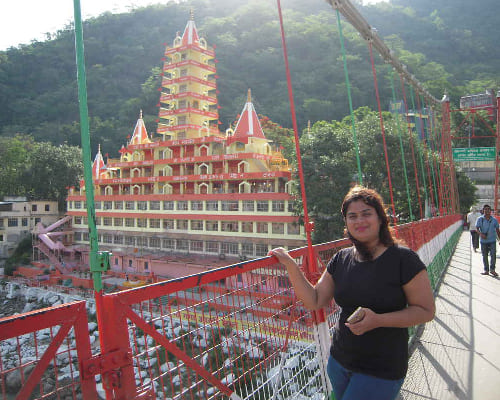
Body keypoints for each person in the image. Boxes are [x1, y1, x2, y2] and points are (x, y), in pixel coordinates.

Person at [268, 186, 435, 400]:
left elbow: (426, 311)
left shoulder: (404, 259)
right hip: (339, 361)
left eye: (366, 214)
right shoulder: (341, 258)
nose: (359, 221)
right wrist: (290, 263)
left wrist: (378, 320)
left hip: (381, 368)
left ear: (380, 218)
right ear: (346, 223)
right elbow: (315, 300)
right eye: (352, 216)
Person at [475, 204, 500, 276]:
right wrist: (481, 234)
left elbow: (497, 230)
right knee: (484, 255)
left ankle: (492, 270)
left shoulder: (494, 220)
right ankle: (486, 270)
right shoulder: (480, 219)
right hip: (483, 241)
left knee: (493, 255)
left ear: (490, 211)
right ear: (483, 211)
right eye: (485, 209)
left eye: (488, 209)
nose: (487, 210)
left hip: (492, 240)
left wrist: (499, 240)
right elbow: (476, 229)